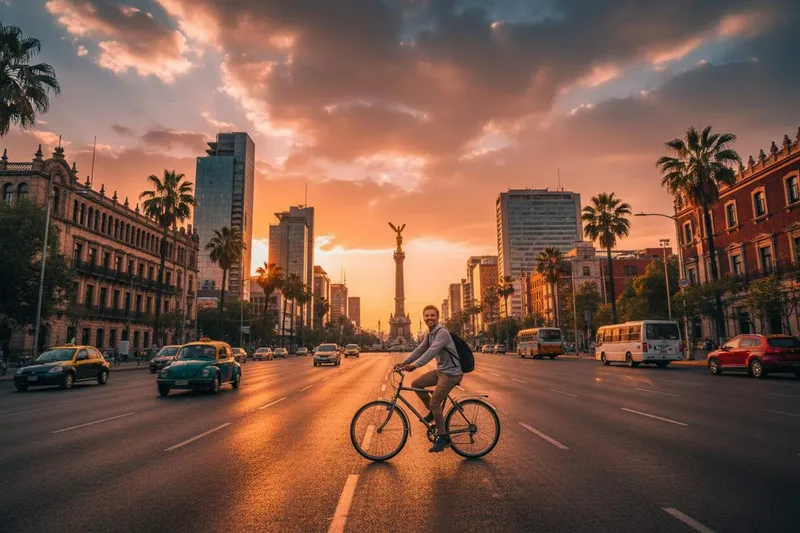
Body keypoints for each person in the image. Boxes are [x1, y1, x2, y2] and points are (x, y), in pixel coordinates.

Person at [395, 304, 462, 453]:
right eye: (427, 316)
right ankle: (433, 412)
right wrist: (405, 362)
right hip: (441, 371)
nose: (429, 318)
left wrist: (415, 366)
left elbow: (432, 352)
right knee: (416, 383)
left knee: (434, 402)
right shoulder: (430, 333)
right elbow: (420, 349)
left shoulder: (442, 333)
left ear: (437, 317)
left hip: (451, 373)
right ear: (424, 317)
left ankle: (443, 437)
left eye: (432, 315)